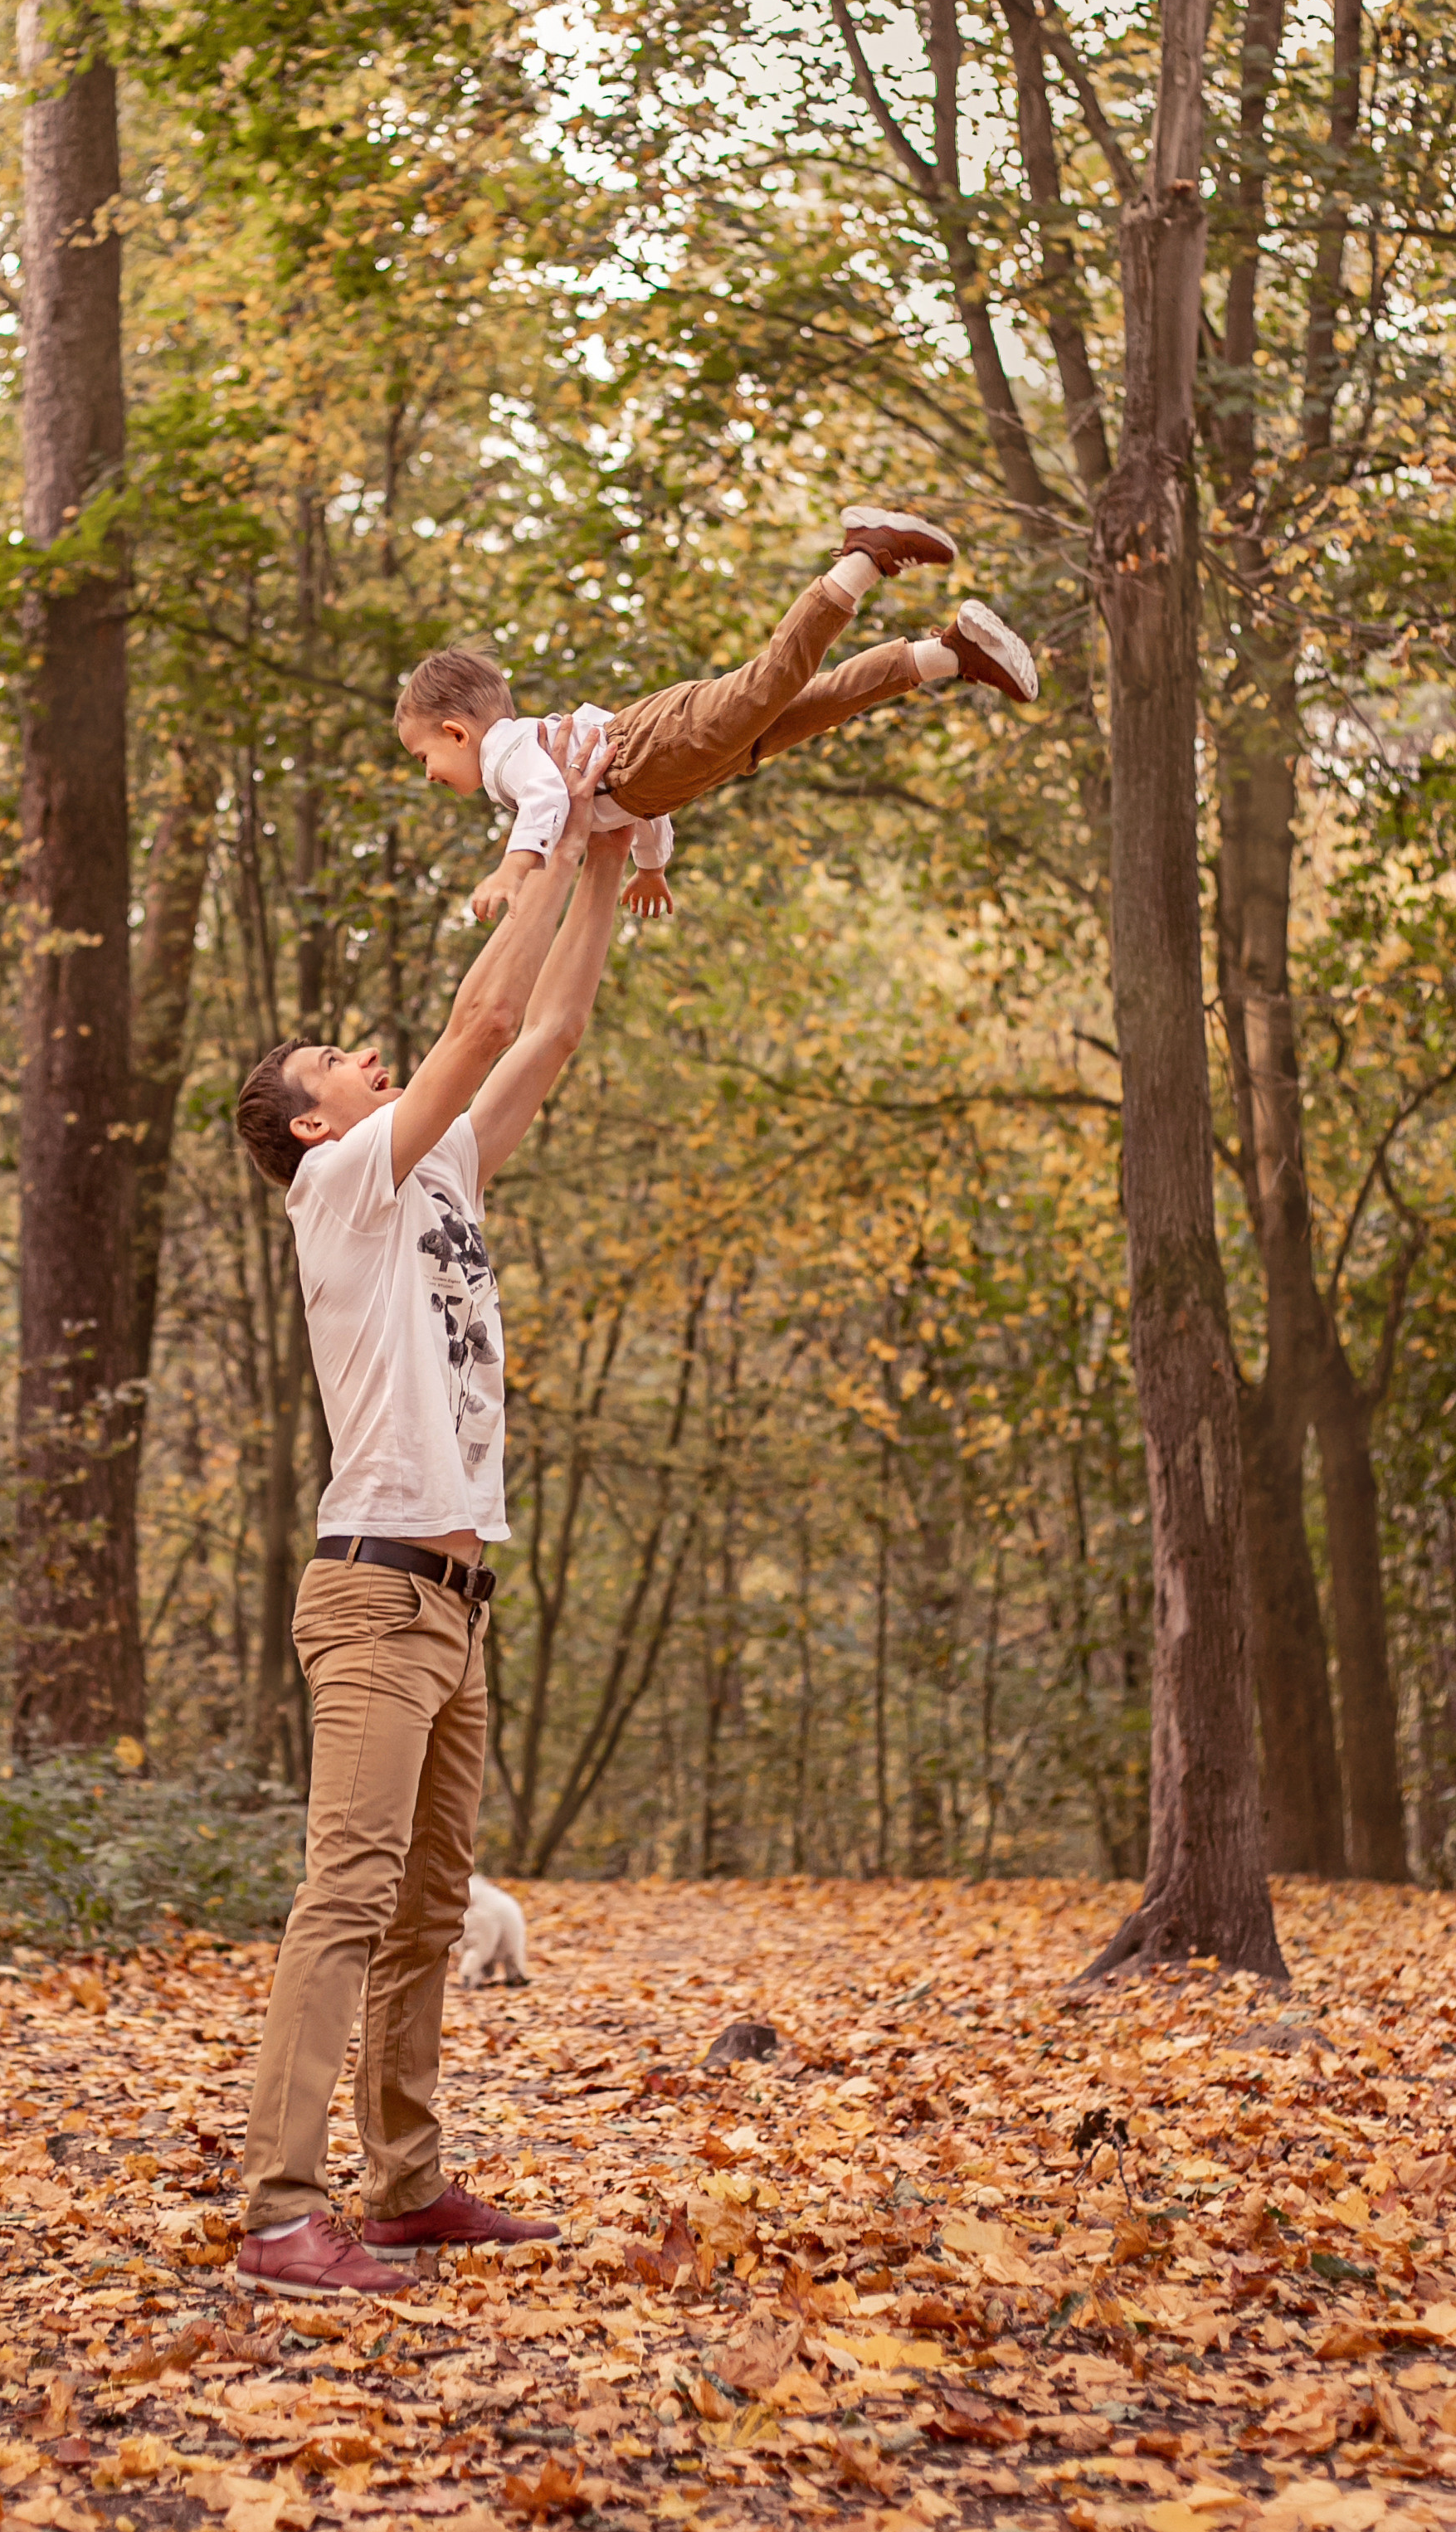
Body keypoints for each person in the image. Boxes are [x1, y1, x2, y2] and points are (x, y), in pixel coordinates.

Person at [230, 722, 628, 2301]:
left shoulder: (435, 1177)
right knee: (346, 1896)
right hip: (374, 1595)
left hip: (455, 1606)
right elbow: (483, 1013)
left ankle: (401, 2188)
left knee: (425, 1910)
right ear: (310, 1124)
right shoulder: (335, 1190)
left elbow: (550, 1028)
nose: (365, 1052)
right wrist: (544, 829)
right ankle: (279, 2213)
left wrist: (607, 856)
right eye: (336, 1058)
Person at [393, 505, 1039, 923]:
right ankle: (950, 653)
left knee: (775, 676)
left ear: (457, 732)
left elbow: (549, 797)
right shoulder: (539, 752)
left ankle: (865, 555)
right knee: (819, 703)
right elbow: (640, 802)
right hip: (669, 763)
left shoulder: (506, 757)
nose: (427, 773)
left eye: (424, 756)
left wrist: (514, 867)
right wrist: (651, 867)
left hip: (656, 745)